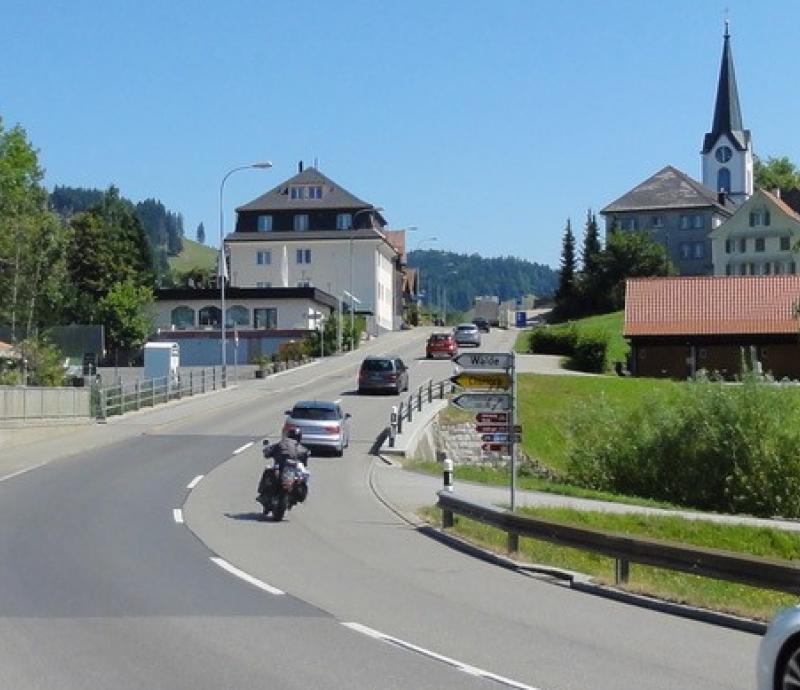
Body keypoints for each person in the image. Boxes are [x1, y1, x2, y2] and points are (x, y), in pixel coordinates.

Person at [257, 428, 310, 508]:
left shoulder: (282, 443)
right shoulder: (301, 448)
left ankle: (263, 493)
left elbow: (268, 452)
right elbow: (305, 461)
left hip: (286, 477)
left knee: (268, 470)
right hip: (286, 477)